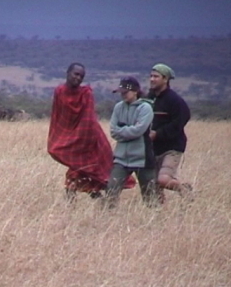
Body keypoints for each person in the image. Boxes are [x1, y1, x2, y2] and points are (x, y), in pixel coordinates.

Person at [47, 63, 135, 203]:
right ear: (67, 73)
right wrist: (60, 138)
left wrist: (81, 138)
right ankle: (100, 203)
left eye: (81, 76)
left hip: (90, 139)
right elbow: (58, 117)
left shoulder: (86, 93)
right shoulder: (60, 91)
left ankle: (103, 203)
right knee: (80, 172)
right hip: (71, 139)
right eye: (76, 74)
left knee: (93, 173)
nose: (78, 78)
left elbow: (88, 120)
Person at [103, 76, 157, 209]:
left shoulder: (146, 108)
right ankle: (108, 219)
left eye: (125, 92)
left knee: (150, 195)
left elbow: (139, 130)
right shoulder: (118, 107)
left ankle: (155, 221)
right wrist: (128, 131)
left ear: (135, 91)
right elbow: (113, 131)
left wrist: (122, 132)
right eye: (121, 93)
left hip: (142, 158)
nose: (122, 95)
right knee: (111, 190)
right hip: (121, 158)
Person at [146, 63, 193, 204]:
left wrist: (158, 133)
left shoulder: (174, 100)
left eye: (156, 76)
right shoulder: (149, 97)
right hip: (153, 148)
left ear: (165, 79)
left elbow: (181, 120)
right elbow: (131, 89)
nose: (152, 79)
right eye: (151, 76)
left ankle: (184, 189)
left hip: (172, 147)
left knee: (163, 179)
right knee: (153, 186)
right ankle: (159, 215)